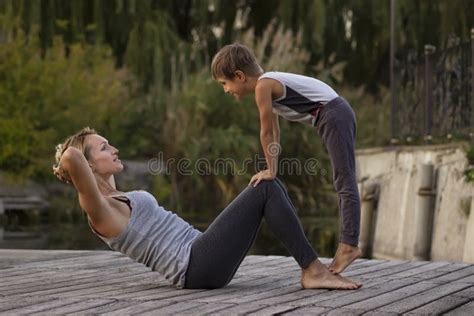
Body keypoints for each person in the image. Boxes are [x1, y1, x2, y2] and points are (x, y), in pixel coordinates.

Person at [53, 127, 361, 290]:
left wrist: (84, 155)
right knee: (264, 187)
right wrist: (67, 158)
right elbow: (70, 158)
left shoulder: (120, 198)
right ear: (89, 163)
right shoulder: (101, 210)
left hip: (202, 256)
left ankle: (313, 269)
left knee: (269, 186)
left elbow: (76, 160)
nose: (115, 149)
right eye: (104, 148)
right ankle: (313, 270)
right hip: (196, 266)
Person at [211, 43, 362, 274]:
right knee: (342, 179)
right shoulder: (268, 83)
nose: (225, 90)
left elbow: (267, 132)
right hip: (333, 114)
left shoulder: (263, 85)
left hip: (333, 115)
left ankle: (349, 245)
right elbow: (275, 132)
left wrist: (270, 171)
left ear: (240, 76)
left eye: (224, 83)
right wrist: (273, 168)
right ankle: (348, 245)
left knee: (344, 179)